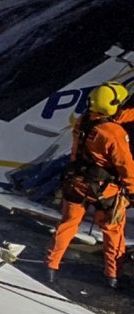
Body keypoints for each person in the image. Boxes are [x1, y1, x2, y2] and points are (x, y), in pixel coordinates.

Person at [46, 82, 134, 288]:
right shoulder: (114, 134)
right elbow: (125, 165)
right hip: (106, 190)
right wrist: (132, 191)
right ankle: (113, 276)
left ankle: (51, 265)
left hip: (76, 183)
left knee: (67, 225)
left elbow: (113, 118)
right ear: (112, 106)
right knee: (112, 232)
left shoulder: (84, 121)